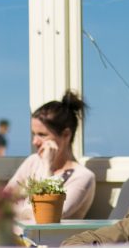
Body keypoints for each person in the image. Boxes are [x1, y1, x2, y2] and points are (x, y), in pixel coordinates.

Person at [5, 92, 96, 221]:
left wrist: (48, 166)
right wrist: (25, 212)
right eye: (34, 134)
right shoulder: (33, 161)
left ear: (66, 134)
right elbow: (3, 203)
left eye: (42, 135)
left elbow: (45, 216)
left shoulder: (83, 177)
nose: (35, 141)